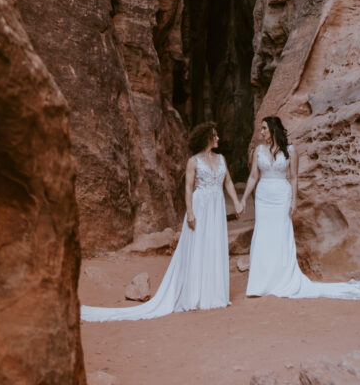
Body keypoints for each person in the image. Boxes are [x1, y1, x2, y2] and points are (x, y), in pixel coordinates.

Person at [81, 122, 242, 321]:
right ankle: (196, 295)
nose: (218, 139)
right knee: (199, 246)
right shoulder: (193, 161)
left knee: (214, 246)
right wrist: (190, 213)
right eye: (215, 135)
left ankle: (214, 294)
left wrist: (236, 203)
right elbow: (188, 188)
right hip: (201, 206)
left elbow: (228, 182)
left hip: (216, 206)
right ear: (207, 138)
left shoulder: (221, 159)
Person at [239, 115, 360, 299]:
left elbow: (294, 177)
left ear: (273, 130)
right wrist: (244, 198)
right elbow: (254, 176)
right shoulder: (259, 151)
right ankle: (260, 283)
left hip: (281, 196)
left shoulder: (291, 150)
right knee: (262, 234)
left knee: (279, 235)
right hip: (263, 197)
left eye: (263, 128)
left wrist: (294, 200)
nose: (261, 132)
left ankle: (280, 280)